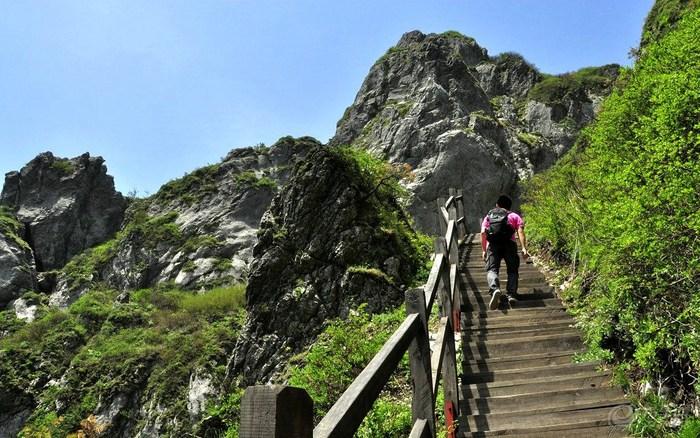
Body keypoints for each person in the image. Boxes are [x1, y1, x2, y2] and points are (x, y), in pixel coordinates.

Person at [480, 194, 529, 310]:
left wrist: (484, 250)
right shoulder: (514, 216)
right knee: (512, 270)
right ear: (510, 206)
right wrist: (523, 248)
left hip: (493, 246)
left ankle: (495, 288)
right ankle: (511, 294)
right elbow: (520, 232)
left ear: (497, 205)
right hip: (510, 245)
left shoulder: (489, 216)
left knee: (492, 269)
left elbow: (483, 233)